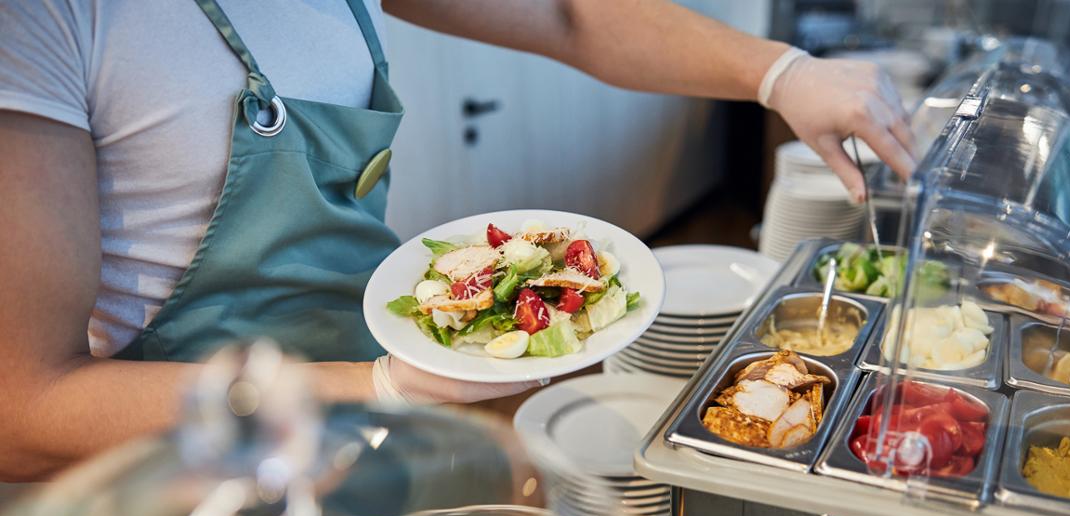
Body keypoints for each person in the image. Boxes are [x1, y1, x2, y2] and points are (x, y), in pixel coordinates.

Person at [0, 0, 915, 481]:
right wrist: (379, 383)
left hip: (364, 423)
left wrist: (782, 73)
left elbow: (567, 12)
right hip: (172, 486)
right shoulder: (43, 18)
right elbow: (22, 409)